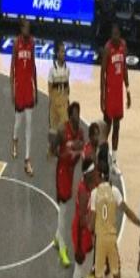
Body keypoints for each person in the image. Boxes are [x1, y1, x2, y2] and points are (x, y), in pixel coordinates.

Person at [88, 153, 140, 278]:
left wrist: (89, 225)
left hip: (100, 241)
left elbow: (91, 224)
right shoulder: (116, 192)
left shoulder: (94, 194)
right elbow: (126, 211)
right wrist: (139, 223)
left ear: (98, 175)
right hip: (112, 240)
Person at [51, 102, 84, 268]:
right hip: (62, 171)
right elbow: (53, 148)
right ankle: (62, 248)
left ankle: (57, 237)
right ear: (70, 116)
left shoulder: (81, 133)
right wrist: (62, 154)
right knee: (63, 209)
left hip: (70, 171)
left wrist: (74, 154)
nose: (78, 117)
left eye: (79, 113)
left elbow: (81, 151)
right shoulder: (63, 130)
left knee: (65, 206)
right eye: (75, 114)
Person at [101, 24, 131, 175]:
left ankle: (113, 161)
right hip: (109, 93)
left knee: (117, 126)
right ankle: (101, 156)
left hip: (118, 93)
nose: (115, 37)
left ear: (120, 35)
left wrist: (128, 89)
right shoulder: (107, 49)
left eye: (117, 34)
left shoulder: (123, 46)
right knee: (107, 126)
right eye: (113, 34)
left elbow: (124, 68)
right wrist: (102, 96)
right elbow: (102, 73)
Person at [10, 19, 37, 176]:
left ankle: (27, 160)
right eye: (26, 28)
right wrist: (12, 90)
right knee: (18, 122)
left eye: (29, 28)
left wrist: (35, 88)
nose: (28, 30)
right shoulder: (16, 43)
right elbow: (12, 67)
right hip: (19, 88)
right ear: (21, 29)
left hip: (28, 88)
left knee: (29, 124)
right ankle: (14, 139)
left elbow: (33, 65)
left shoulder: (32, 43)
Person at [70, 158, 97, 278]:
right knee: (79, 263)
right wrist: (79, 246)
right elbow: (81, 219)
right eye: (93, 173)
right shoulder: (82, 191)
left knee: (89, 258)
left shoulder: (88, 186)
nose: (95, 175)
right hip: (80, 230)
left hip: (85, 229)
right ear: (87, 174)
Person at [47, 41, 70, 157]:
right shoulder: (52, 69)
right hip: (54, 101)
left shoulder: (67, 69)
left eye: (64, 52)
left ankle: (62, 148)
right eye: (61, 51)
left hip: (64, 101)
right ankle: (52, 148)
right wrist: (51, 101)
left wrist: (67, 99)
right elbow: (50, 87)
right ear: (57, 53)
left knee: (64, 127)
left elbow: (67, 86)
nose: (63, 54)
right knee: (53, 128)